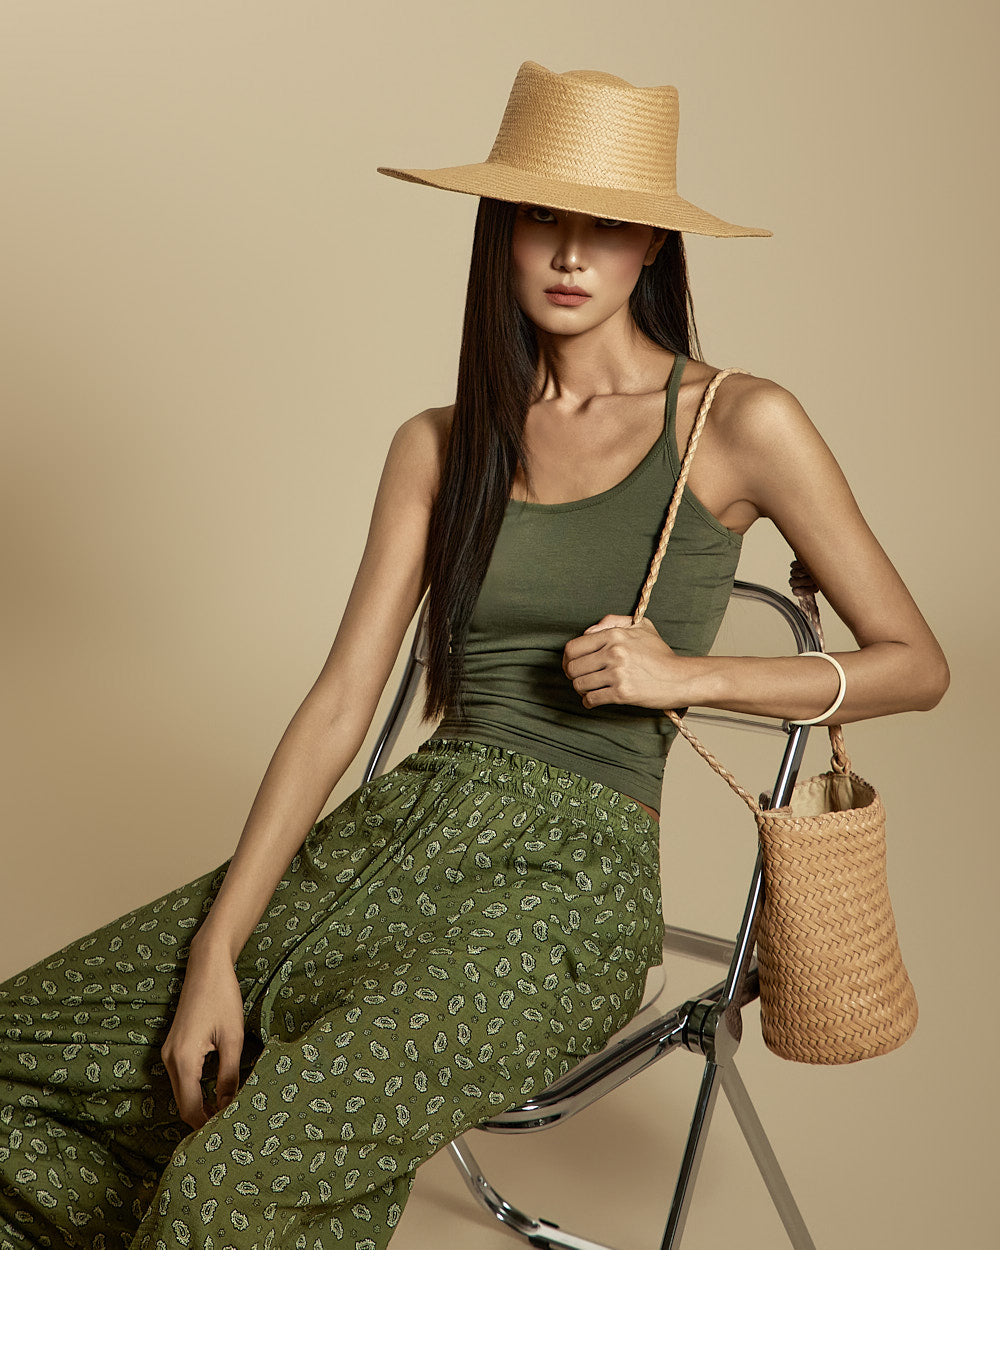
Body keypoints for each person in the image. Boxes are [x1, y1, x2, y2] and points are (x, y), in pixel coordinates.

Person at [0, 60, 948, 1251]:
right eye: (541, 217)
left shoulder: (739, 422)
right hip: (394, 838)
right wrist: (215, 950)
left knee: (231, 1181)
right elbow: (340, 705)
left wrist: (689, 677)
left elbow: (915, 663)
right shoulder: (440, 443)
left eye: (607, 226)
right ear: (500, 229)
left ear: (654, 247)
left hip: (567, 887)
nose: (570, 253)